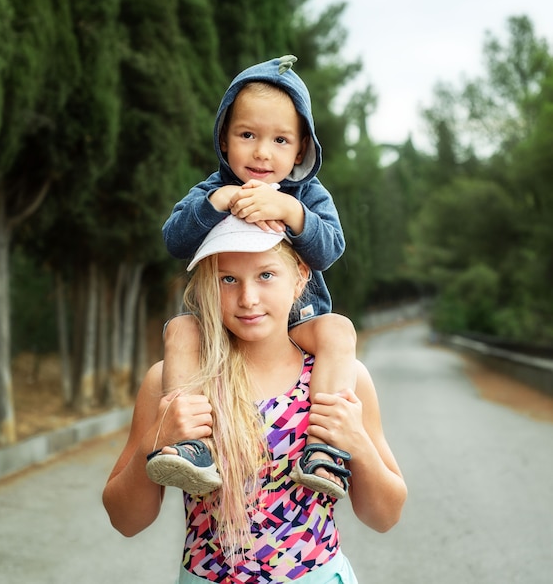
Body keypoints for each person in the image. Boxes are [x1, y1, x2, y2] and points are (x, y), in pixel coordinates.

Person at [102, 216, 407, 584]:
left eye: (266, 275)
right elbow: (126, 521)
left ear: (299, 277)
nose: (248, 299)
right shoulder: (176, 382)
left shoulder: (339, 379)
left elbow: (385, 516)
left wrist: (356, 442)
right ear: (205, 288)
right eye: (228, 279)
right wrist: (157, 439)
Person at [154, 55, 357, 499]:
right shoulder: (212, 190)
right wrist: (218, 202)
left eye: (280, 139)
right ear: (224, 140)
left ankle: (323, 449)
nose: (262, 152)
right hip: (222, 326)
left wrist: (292, 211)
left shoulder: (308, 194)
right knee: (180, 329)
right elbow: (174, 240)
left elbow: (330, 250)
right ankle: (193, 446)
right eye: (247, 135)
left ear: (301, 149)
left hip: (296, 324)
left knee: (339, 330)